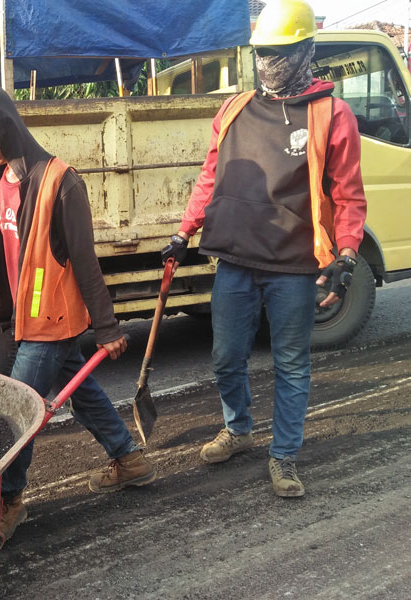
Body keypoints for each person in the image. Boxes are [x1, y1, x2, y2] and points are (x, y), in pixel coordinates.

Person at [161, 0, 366, 498]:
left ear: (304, 52)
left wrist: (347, 254)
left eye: (279, 53)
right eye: (262, 53)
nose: (268, 64)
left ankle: (285, 457)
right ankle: (238, 427)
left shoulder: (332, 115)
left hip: (294, 267)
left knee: (291, 363)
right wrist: (183, 232)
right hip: (234, 259)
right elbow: (211, 178)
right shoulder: (233, 109)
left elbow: (348, 195)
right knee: (226, 357)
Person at [0, 80, 154, 544]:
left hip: (53, 318)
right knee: (80, 390)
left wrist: (107, 327)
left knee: (20, 410)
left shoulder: (61, 182)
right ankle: (130, 459)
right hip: (24, 316)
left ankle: (10, 500)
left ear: (7, 127)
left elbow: (85, 261)